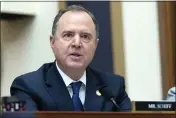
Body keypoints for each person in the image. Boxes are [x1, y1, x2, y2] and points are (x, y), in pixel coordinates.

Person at [10, 5, 131, 111]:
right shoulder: (25, 87)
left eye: (85, 36)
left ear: (95, 45)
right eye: (68, 35)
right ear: (53, 42)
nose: (77, 43)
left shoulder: (113, 87)